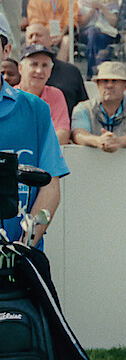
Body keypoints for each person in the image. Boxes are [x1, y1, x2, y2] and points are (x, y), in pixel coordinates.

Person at [0, 14, 68, 250]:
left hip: (20, 259)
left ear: (6, 49)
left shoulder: (36, 109)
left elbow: (50, 187)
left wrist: (23, 247)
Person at [71, 61, 126, 151]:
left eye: (114, 81)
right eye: (105, 81)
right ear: (98, 85)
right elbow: (79, 134)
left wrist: (118, 141)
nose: (109, 85)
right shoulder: (83, 108)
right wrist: (99, 141)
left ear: (125, 86)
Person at [26, 23, 88, 115]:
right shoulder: (19, 71)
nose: (34, 39)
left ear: (51, 40)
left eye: (39, 35)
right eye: (30, 36)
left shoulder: (71, 72)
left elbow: (83, 106)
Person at [15, 43, 70, 144]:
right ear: (20, 68)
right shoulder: (9, 96)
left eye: (45, 65)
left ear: (50, 71)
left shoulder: (56, 95)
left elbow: (63, 134)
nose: (39, 71)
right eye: (34, 64)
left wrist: (34, 147)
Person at [77, 0, 120, 77]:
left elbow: (113, 22)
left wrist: (102, 7)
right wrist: (92, 9)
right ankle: (97, 69)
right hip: (86, 32)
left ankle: (91, 72)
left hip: (106, 32)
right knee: (93, 32)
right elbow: (81, 23)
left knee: (95, 36)